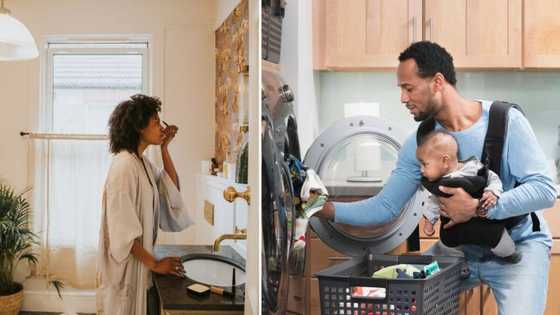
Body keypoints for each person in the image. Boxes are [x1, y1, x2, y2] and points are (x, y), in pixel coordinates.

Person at [313, 41, 557, 314]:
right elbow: (385, 207)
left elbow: (544, 190)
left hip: (518, 247)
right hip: (460, 250)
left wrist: (477, 208)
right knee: (393, 302)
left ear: (438, 82)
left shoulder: (505, 121)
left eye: (408, 88)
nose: (403, 99)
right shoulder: (421, 144)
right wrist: (321, 208)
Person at [97, 94, 193, 315]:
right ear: (140, 128)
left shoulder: (142, 162)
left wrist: (165, 148)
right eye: (156, 122)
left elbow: (172, 188)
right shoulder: (124, 167)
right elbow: (121, 230)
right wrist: (156, 263)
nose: (161, 127)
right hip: (126, 269)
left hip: (141, 263)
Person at [417, 129, 519, 262]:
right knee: (447, 245)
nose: (421, 170)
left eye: (425, 164)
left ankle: (509, 254)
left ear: (445, 161)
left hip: (483, 224)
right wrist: (429, 221)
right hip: (453, 230)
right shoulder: (438, 184)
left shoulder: (473, 168)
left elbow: (493, 179)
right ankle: (456, 264)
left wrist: (492, 192)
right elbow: (434, 203)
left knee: (499, 240)